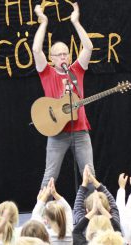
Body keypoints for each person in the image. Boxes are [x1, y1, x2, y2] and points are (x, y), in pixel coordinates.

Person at [32, 2, 95, 187]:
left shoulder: (76, 70)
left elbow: (89, 47)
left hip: (80, 130)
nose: (63, 57)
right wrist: (43, 22)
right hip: (57, 132)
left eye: (65, 54)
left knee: (89, 175)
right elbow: (36, 49)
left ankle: (94, 213)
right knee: (50, 177)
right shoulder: (47, 72)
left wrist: (76, 22)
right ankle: (40, 212)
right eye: (58, 55)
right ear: (51, 58)